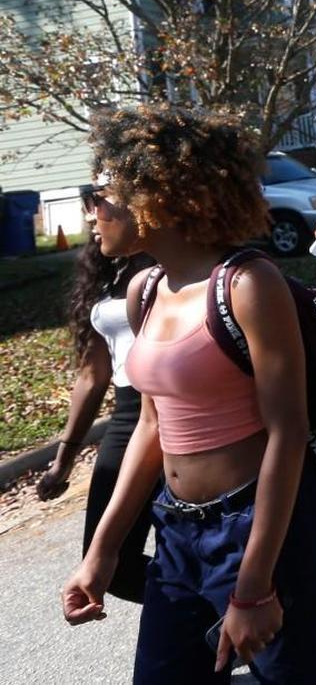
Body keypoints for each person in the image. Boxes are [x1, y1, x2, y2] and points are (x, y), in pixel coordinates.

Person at [60, 105, 316, 682]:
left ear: (155, 196)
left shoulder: (247, 284)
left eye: (100, 193)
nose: (91, 211)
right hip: (177, 532)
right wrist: (103, 551)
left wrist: (254, 583)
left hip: (265, 530)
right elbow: (151, 426)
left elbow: (287, 433)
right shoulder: (145, 290)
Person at [38, 236, 156, 604]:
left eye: (101, 198)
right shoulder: (109, 271)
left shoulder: (178, 259)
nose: (92, 214)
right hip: (127, 417)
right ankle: (214, 615)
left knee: (195, 539)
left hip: (181, 411)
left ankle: (225, 626)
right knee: (112, 566)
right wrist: (64, 460)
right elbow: (92, 375)